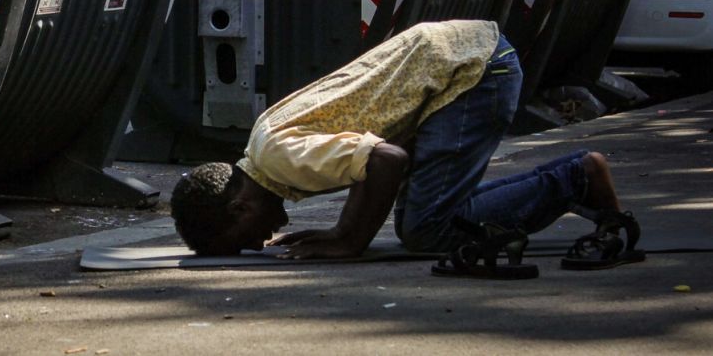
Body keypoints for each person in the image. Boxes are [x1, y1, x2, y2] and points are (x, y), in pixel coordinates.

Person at [171, 20, 644, 277]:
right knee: (427, 216)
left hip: (472, 74)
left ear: (238, 207)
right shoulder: (266, 145)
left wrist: (349, 242)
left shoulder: (280, 159)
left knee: (424, 230)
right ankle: (577, 177)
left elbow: (387, 160)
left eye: (244, 241)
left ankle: (576, 178)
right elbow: (368, 161)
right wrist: (341, 231)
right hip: (466, 63)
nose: (259, 244)